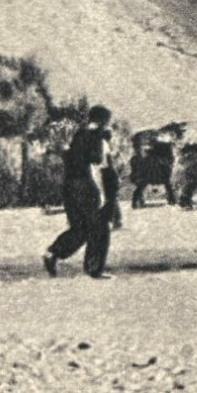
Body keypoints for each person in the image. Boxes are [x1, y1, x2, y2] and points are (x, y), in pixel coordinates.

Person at [43, 105, 120, 279]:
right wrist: (105, 195)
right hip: (87, 186)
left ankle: (53, 252)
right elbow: (99, 166)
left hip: (70, 186)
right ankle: (94, 269)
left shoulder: (78, 136)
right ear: (104, 121)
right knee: (99, 229)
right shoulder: (99, 138)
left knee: (80, 228)